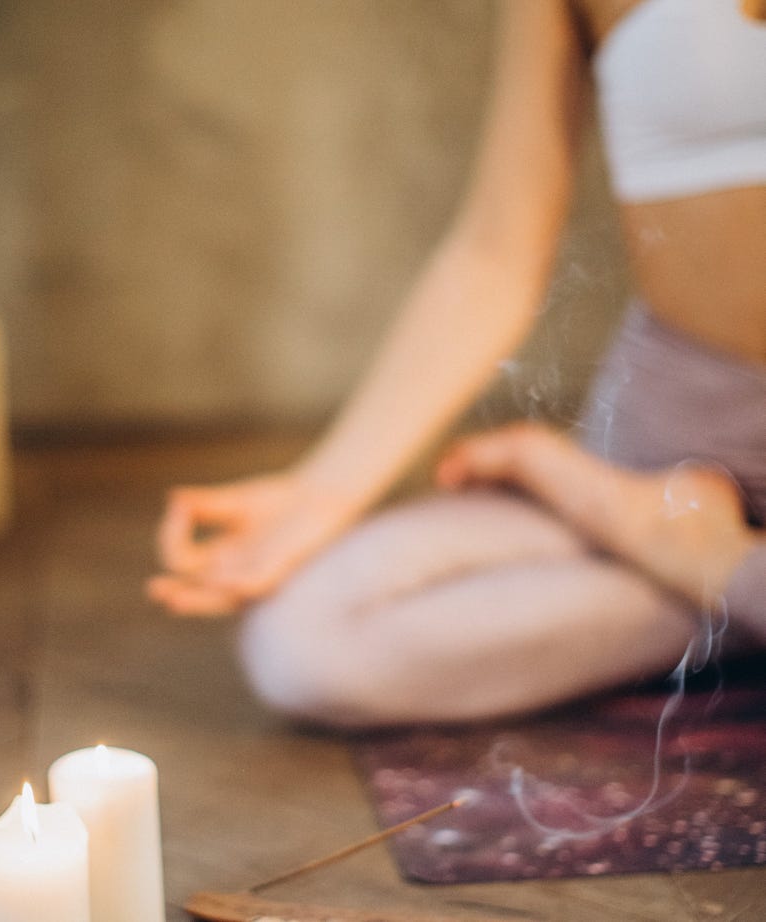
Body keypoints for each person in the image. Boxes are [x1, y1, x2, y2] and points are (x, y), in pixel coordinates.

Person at [147, 0, 766, 727]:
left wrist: (717, 564)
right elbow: (496, 252)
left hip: (669, 521)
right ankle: (714, 579)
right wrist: (323, 489)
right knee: (308, 640)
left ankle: (719, 574)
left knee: (714, 566)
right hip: (666, 462)